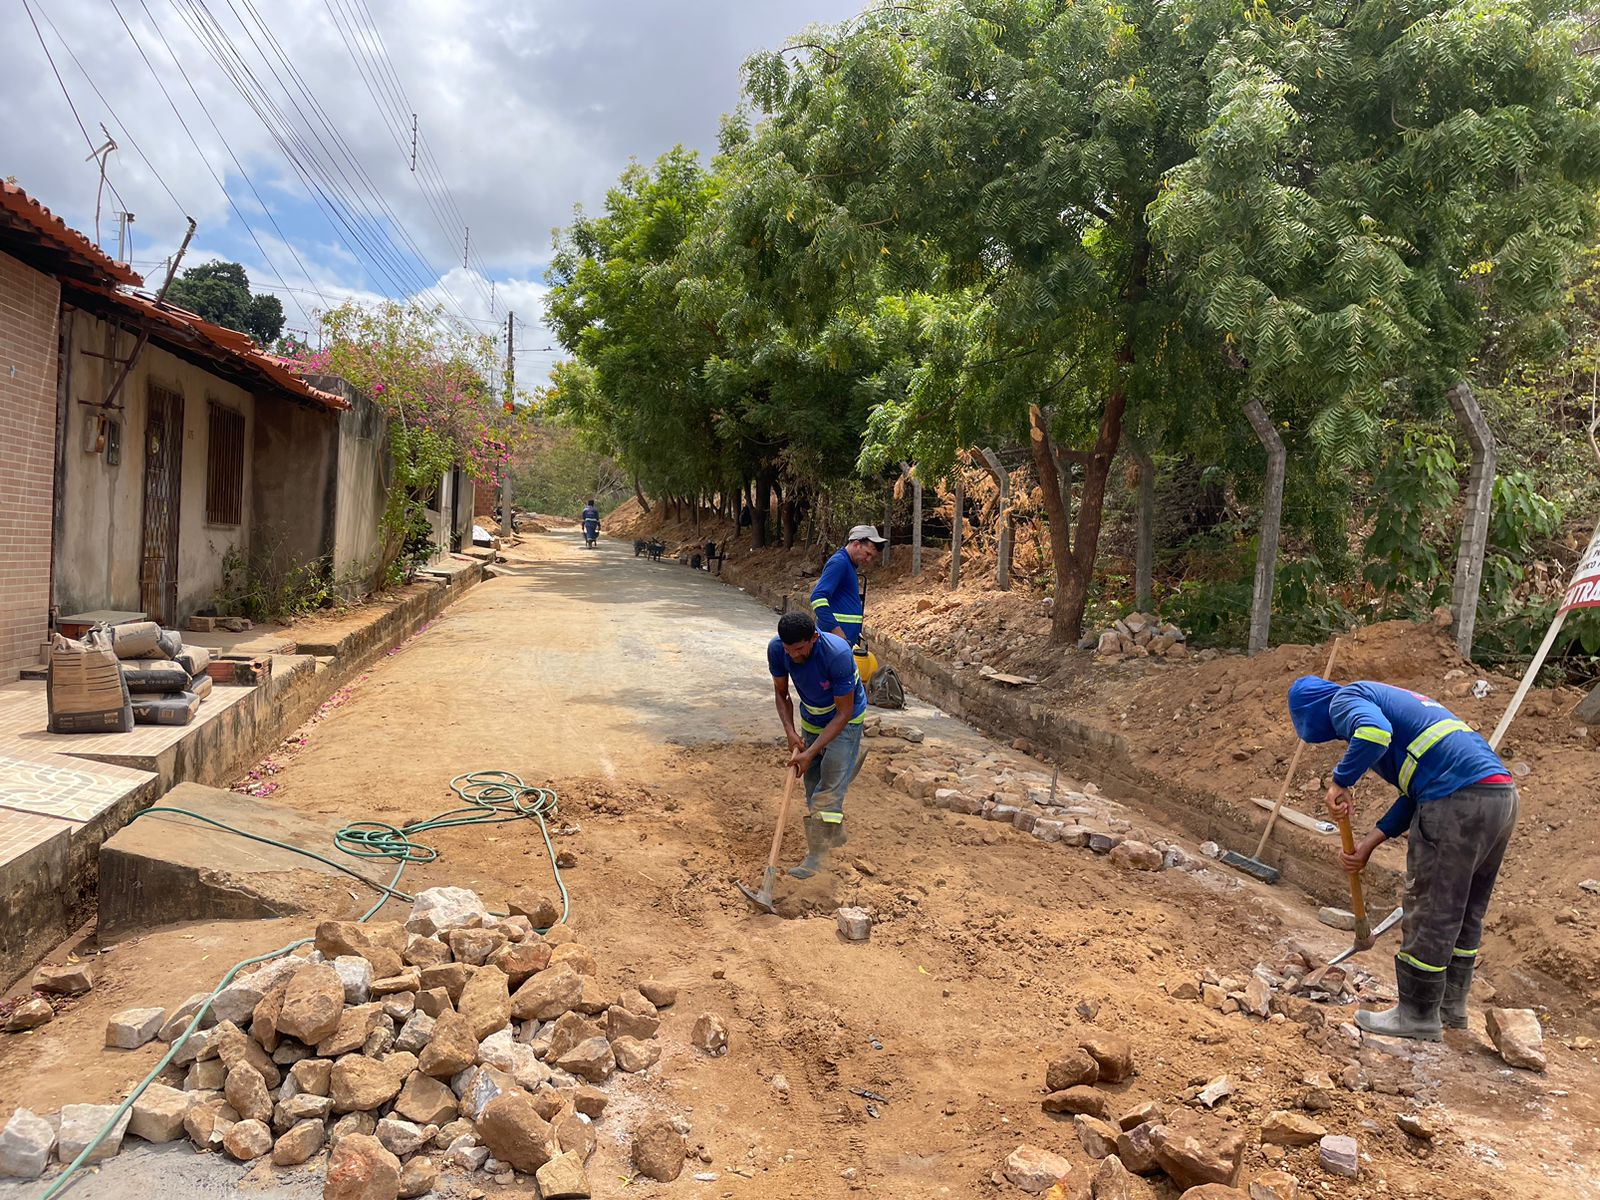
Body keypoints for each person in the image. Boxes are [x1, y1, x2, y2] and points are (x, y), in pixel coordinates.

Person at [1287, 676, 1518, 1041]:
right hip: (1498, 798)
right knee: (1466, 908)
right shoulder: (1394, 703)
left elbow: (1374, 733)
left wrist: (1340, 780)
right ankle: (1449, 1009)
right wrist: (1368, 845)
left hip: (1457, 802)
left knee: (1431, 907)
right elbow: (1415, 794)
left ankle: (1416, 1016)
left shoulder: (1346, 699)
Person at [768, 610, 867, 879]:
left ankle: (817, 859)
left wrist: (810, 752)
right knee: (812, 789)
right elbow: (781, 693)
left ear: (813, 638)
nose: (793, 656)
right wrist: (789, 731)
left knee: (827, 794)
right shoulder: (778, 650)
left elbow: (843, 712)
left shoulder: (837, 654)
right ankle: (833, 832)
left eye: (799, 649)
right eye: (788, 650)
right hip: (811, 717)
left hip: (844, 720)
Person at [810, 524, 887, 647]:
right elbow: (817, 598)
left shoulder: (848, 564)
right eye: (867, 554)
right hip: (834, 643)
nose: (868, 560)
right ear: (856, 544)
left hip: (841, 643)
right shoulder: (839, 563)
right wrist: (838, 633)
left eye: (871, 557)